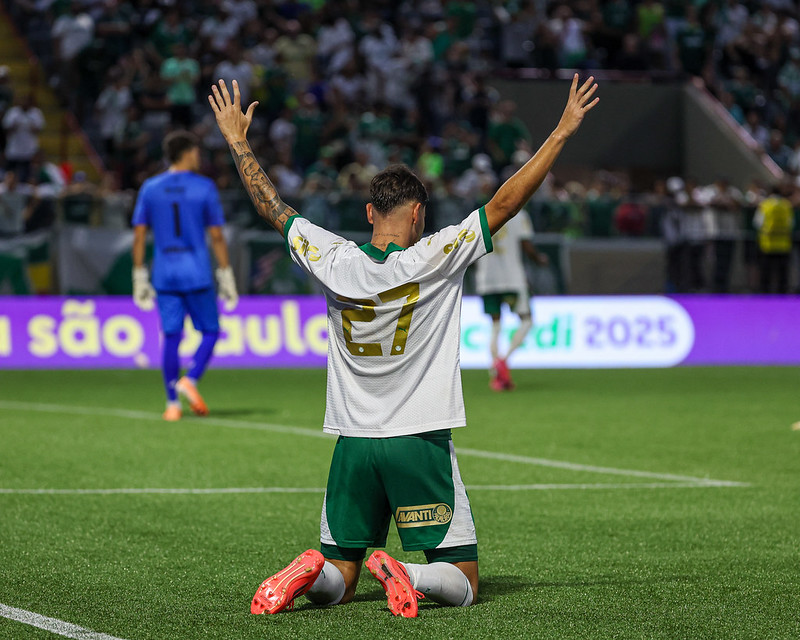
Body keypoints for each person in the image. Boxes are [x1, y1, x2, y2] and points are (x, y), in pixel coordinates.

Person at [207, 74, 597, 617]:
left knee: (340, 575)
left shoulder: (333, 257)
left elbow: (273, 207)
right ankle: (408, 571)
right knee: (463, 580)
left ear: (369, 213)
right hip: (417, 438)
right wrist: (560, 132)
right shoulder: (434, 256)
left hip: (353, 441)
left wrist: (237, 140)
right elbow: (504, 204)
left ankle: (308, 575)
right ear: (418, 215)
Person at [131, 130, 238, 421]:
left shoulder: (151, 187)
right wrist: (226, 273)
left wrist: (139, 274)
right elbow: (216, 235)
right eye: (197, 153)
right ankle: (189, 379)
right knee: (211, 331)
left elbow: (139, 234)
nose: (199, 157)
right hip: (196, 272)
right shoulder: (204, 187)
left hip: (164, 273)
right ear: (188, 153)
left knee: (171, 336)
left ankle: (171, 404)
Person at [474, 207, 548, 391]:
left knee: (495, 325)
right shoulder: (519, 214)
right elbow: (526, 245)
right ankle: (503, 360)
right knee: (527, 320)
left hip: (487, 279)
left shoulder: (480, 215)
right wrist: (539, 259)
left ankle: (495, 376)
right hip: (512, 278)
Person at [753, 182, 794, 294]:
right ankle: (782, 291)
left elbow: (758, 223)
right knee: (782, 271)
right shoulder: (786, 205)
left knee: (766, 270)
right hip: (783, 243)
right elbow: (791, 223)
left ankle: (764, 291)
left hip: (768, 243)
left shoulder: (765, 204)